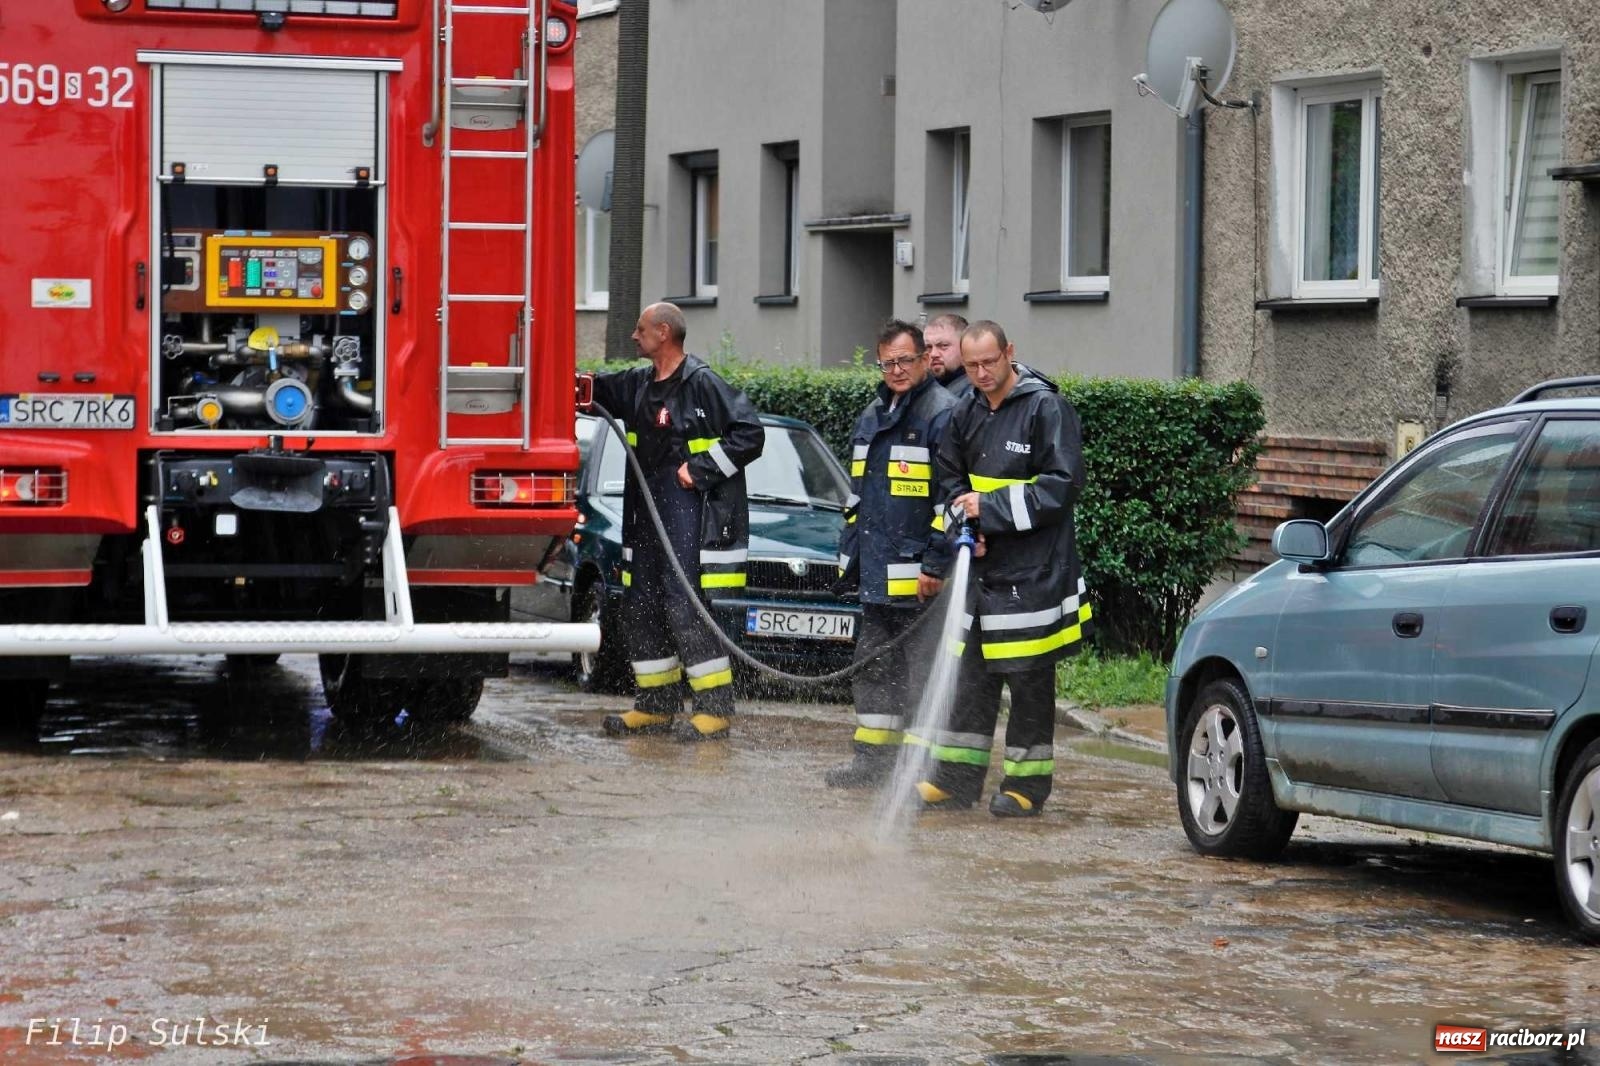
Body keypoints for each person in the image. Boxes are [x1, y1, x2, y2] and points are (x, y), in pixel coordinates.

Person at [914, 320, 1090, 816]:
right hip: (981, 573)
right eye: (971, 365)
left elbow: (1061, 486)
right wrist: (965, 530)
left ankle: (1025, 787)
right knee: (969, 677)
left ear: (1009, 352)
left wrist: (987, 512)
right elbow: (948, 483)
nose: (980, 373)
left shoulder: (1045, 408)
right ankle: (955, 781)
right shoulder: (963, 411)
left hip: (1033, 575)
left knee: (1028, 681)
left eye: (989, 362)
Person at [588, 303, 765, 741]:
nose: (634, 336)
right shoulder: (637, 384)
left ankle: (714, 709)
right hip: (645, 515)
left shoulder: (701, 384)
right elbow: (590, 389)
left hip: (688, 513)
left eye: (641, 329)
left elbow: (750, 434)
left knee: (685, 604)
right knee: (642, 604)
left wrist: (701, 469)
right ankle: (654, 705)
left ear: (664, 332)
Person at [826, 320, 957, 787]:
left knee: (920, 675)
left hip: (921, 582)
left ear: (924, 360)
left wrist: (935, 564)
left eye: (905, 360)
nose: (897, 370)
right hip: (877, 575)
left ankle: (919, 771)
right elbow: (861, 497)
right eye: (888, 363)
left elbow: (950, 500)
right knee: (873, 667)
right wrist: (852, 559)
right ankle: (872, 763)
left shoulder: (943, 414)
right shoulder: (872, 415)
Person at [925, 313, 971, 398]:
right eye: (929, 347)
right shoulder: (920, 389)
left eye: (943, 345)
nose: (933, 354)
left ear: (964, 347)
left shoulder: (974, 394)